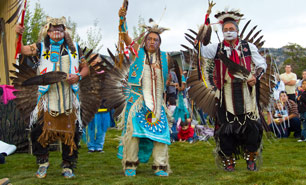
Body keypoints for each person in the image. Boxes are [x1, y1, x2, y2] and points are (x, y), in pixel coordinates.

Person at [15, 16, 89, 178]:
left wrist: (78, 77)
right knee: (39, 131)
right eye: (53, 29)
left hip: (69, 96)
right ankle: (42, 163)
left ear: (65, 31)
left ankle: (68, 166)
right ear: (47, 32)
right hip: (47, 97)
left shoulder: (75, 48)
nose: (56, 32)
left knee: (72, 133)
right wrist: (18, 35)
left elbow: (85, 68)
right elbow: (21, 50)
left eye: (60, 29)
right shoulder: (41, 47)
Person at [200, 9, 267, 171]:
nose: (229, 32)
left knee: (252, 127)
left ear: (238, 30)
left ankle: (251, 157)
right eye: (226, 30)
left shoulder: (248, 47)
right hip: (226, 94)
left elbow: (261, 64)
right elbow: (201, 50)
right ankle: (228, 160)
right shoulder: (217, 48)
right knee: (225, 129)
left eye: (232, 29)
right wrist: (205, 30)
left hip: (246, 92)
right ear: (222, 31)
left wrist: (255, 77)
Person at [117, 7, 171, 176]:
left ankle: (160, 165)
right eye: (150, 39)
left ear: (159, 43)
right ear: (145, 41)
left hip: (156, 103)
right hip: (137, 100)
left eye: (156, 39)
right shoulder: (137, 52)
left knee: (161, 132)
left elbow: (165, 78)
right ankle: (130, 164)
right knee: (133, 133)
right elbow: (125, 37)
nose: (152, 42)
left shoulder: (165, 58)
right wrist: (122, 19)